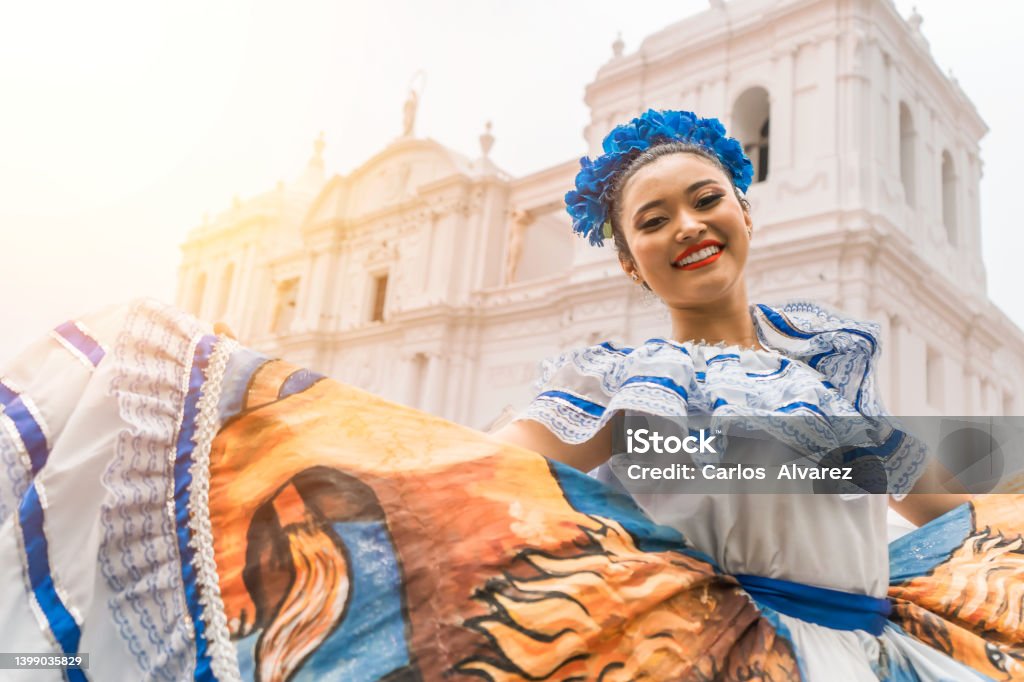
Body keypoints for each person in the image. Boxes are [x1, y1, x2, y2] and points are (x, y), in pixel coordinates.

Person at [0, 111, 1019, 681]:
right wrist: (231, 394)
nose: (687, 226)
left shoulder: (827, 371)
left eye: (705, 198)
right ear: (630, 263)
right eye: (652, 219)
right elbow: (462, 472)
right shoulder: (616, 385)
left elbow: (973, 492)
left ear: (743, 208)